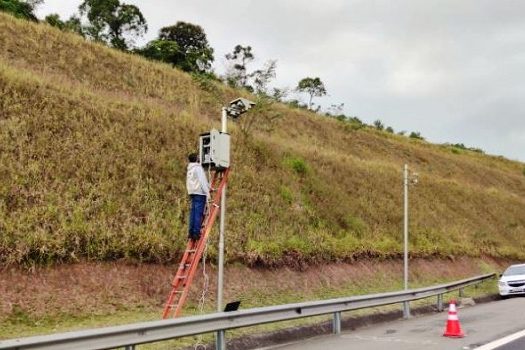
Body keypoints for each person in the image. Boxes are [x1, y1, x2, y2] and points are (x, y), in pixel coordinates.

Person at [186, 153, 210, 241]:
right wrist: (208, 193)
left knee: (193, 212)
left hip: (192, 192)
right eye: (198, 157)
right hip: (199, 193)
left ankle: (191, 232)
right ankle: (196, 233)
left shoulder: (190, 168)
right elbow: (202, 181)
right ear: (196, 159)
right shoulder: (198, 168)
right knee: (198, 213)